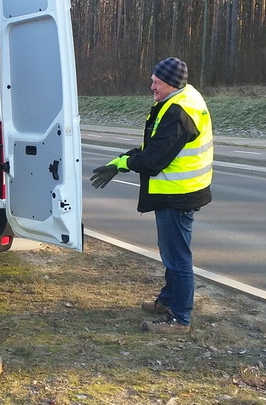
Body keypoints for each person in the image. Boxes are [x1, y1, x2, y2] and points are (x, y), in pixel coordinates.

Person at [90, 57, 213, 334]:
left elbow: (153, 160)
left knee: (177, 258)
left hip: (176, 195)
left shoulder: (178, 112)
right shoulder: (183, 98)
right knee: (172, 253)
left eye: (156, 82)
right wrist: (121, 159)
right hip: (181, 192)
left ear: (170, 84)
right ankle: (168, 301)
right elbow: (155, 147)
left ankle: (179, 319)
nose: (151, 86)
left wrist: (121, 165)